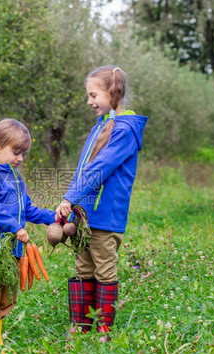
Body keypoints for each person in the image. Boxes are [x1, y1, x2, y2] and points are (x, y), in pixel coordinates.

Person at [55, 65, 148, 335]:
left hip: (105, 219)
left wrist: (70, 197)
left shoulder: (124, 131)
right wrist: (69, 203)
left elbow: (99, 169)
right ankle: (81, 329)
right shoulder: (100, 127)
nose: (89, 101)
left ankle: (103, 333)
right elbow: (83, 170)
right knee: (83, 268)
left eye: (93, 95)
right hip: (85, 217)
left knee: (104, 272)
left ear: (112, 92)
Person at [0, 118, 55, 354]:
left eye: (23, 154)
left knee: (3, 298)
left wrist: (55, 218)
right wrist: (15, 228)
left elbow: (29, 210)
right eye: (16, 152)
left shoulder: (16, 179)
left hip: (11, 253)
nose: (20, 158)